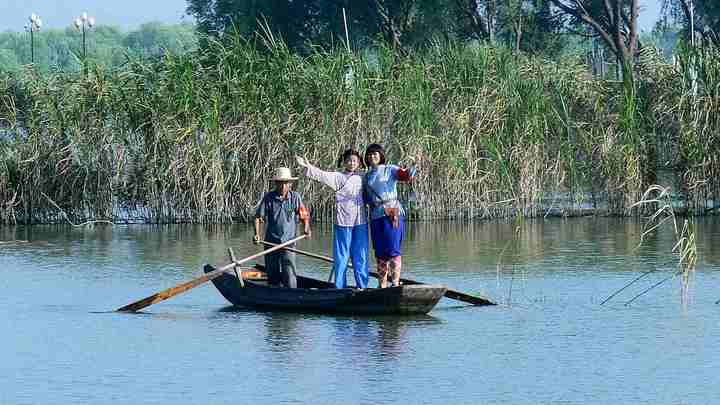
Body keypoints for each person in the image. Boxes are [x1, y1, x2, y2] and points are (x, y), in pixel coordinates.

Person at [296, 150, 369, 289]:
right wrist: (307, 166)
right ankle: (340, 287)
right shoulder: (337, 176)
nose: (352, 163)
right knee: (341, 257)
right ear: (344, 162)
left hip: (360, 222)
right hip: (343, 222)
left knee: (361, 256)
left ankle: (362, 286)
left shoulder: (363, 177)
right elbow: (321, 175)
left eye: (354, 160)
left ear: (359, 162)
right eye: (349, 160)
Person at [363, 144, 416, 288]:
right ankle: (382, 285)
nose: (371, 156)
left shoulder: (389, 169)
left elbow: (405, 175)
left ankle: (395, 282)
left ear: (380, 155)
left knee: (393, 250)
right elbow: (365, 199)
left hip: (392, 212)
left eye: (375, 154)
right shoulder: (366, 176)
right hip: (375, 216)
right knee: (380, 253)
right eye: (369, 154)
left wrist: (412, 166)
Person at [254, 167, 311, 288]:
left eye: (286, 183)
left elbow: (304, 215)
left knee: (289, 273)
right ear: (276, 183)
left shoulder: (295, 197)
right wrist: (257, 234)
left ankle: (293, 295)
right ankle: (274, 294)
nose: (283, 186)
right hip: (271, 243)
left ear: (290, 184)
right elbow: (258, 218)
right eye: (280, 183)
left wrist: (306, 227)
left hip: (289, 242)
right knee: (272, 274)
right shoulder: (269, 198)